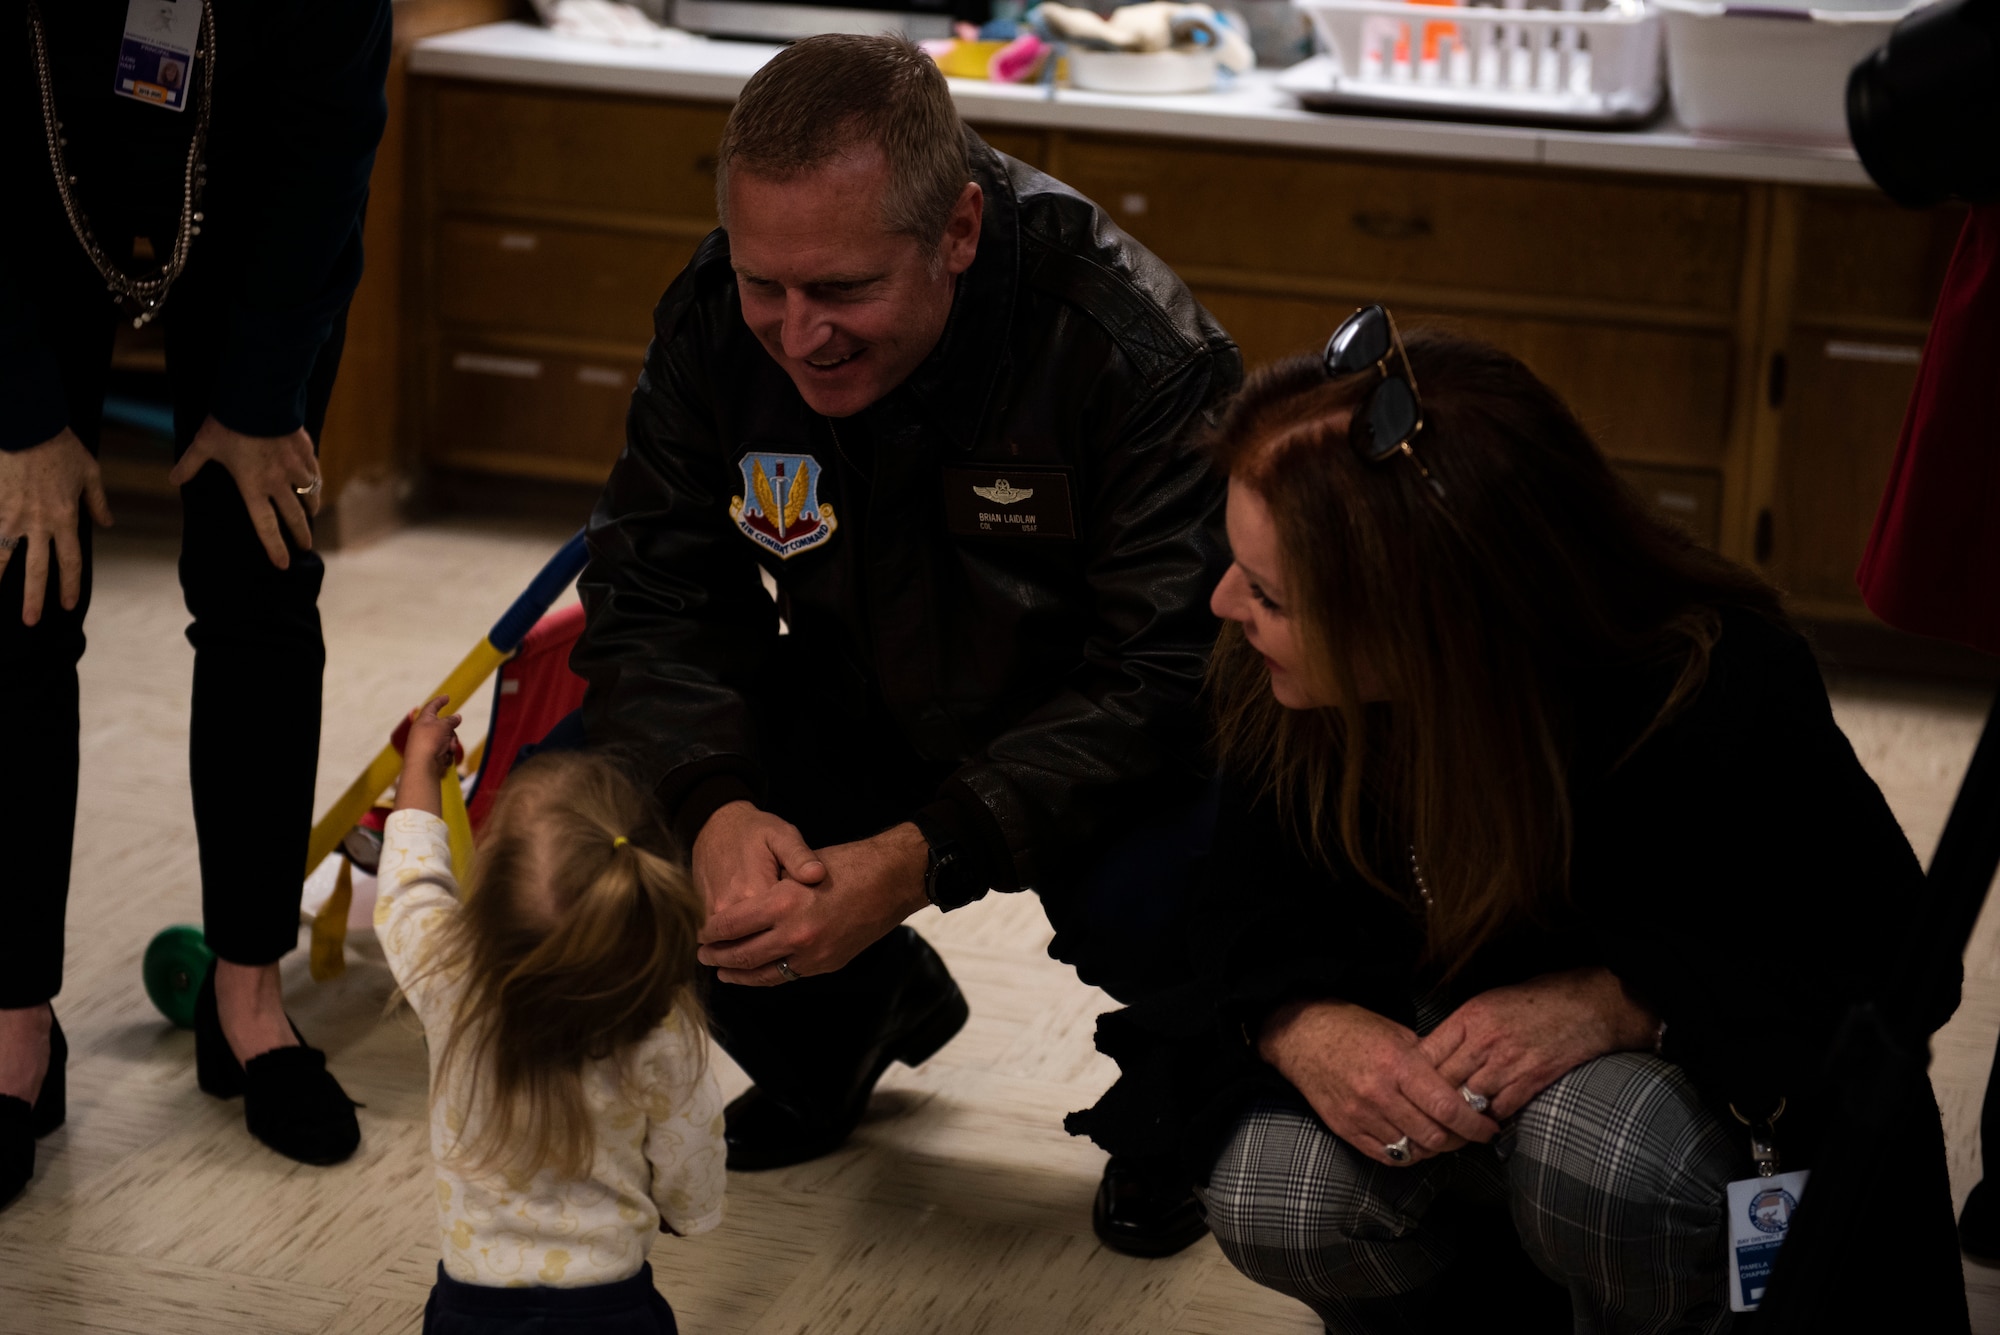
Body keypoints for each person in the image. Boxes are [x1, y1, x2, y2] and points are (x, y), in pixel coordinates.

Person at [1068, 313, 1969, 1331]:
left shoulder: (1708, 686)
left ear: (1427, 623)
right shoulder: (1280, 679)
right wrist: (1297, 1024)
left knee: (1602, 1148)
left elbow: (1891, 968)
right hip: (1443, 1105)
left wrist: (1630, 1002)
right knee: (1276, 1186)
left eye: (1268, 593)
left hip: (1675, 1123)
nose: (1224, 602)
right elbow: (1231, 907)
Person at [570, 34, 1238, 1254]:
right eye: (766, 282)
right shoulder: (721, 317)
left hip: (1095, 737)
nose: (795, 331)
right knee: (599, 813)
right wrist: (715, 804)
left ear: (960, 232)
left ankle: (1175, 1118)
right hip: (861, 684)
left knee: (1207, 880)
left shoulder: (1128, 349)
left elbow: (1165, 673)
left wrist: (925, 854)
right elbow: (654, 593)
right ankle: (837, 1028)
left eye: (839, 291)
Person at [0, 0, 391, 1205]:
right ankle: (14, 1032)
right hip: (22, 207)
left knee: (259, 580)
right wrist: (21, 416)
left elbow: (325, 156)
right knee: (15, 587)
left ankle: (248, 1000)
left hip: (258, 216)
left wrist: (261, 398)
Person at [379, 699, 723, 1335]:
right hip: (610, 1307)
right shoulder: (659, 1020)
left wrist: (421, 771)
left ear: (488, 891)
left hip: (471, 1307)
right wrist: (687, 1210)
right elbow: (690, 1141)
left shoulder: (450, 981)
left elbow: (409, 887)